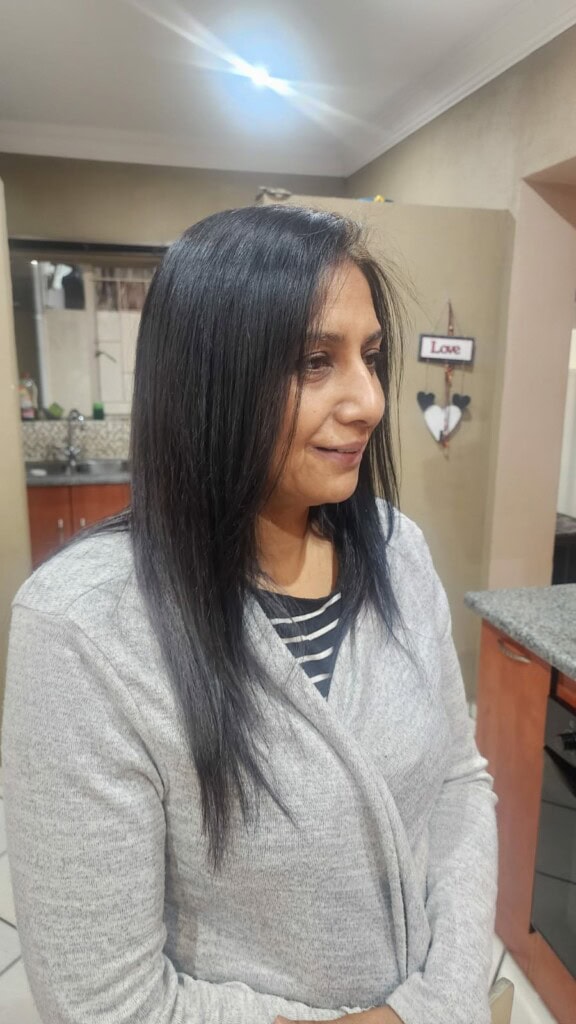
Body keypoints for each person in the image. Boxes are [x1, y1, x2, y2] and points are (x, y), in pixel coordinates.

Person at [2, 205, 497, 1024]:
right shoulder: (86, 630)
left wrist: (438, 1001)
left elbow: (458, 781)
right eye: (315, 361)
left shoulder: (397, 550)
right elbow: (102, 1003)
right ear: (208, 377)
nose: (370, 401)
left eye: (371, 357)